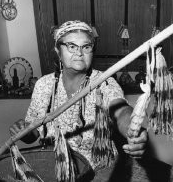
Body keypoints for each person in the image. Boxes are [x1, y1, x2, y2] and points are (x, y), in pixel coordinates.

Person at [9, 20, 148, 181]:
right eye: (72, 46)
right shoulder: (44, 85)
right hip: (56, 169)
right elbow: (32, 134)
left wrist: (134, 129)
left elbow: (121, 110)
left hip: (98, 171)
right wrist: (23, 131)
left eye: (86, 47)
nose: (79, 53)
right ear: (58, 51)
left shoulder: (104, 82)